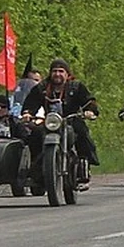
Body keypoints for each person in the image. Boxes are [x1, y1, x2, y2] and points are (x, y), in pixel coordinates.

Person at [21, 58, 100, 190]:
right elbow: (30, 104)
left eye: (61, 71)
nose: (57, 74)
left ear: (67, 74)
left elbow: (89, 101)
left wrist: (90, 111)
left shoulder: (76, 87)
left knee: (82, 133)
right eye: (54, 71)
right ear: (50, 73)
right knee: (34, 135)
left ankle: (83, 169)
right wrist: (27, 113)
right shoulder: (42, 88)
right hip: (50, 122)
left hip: (71, 120)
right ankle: (35, 172)